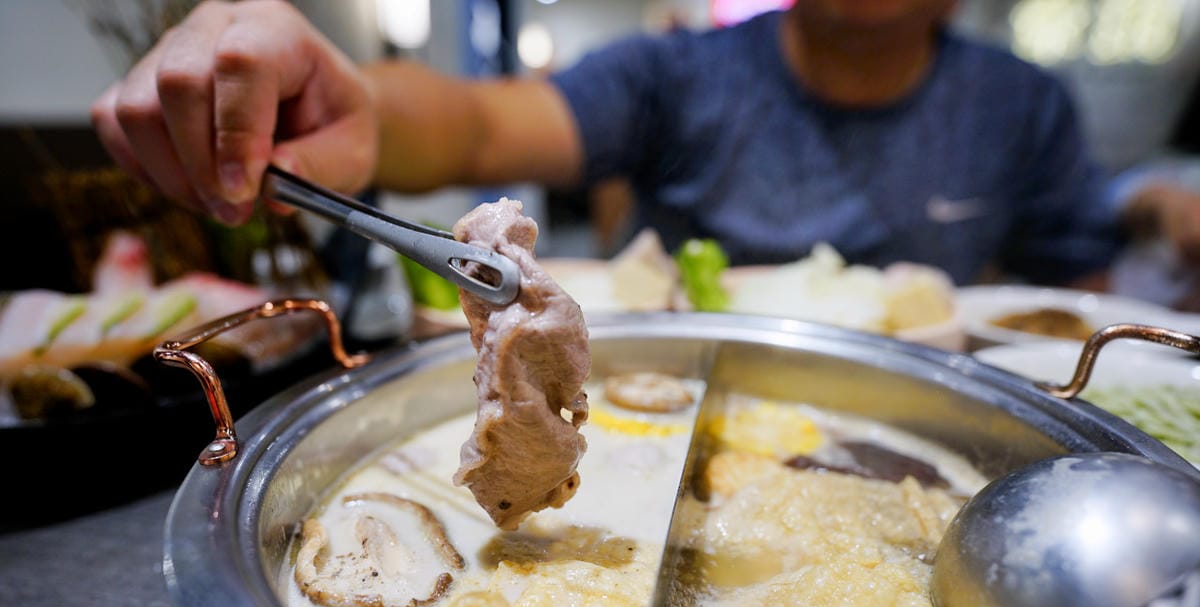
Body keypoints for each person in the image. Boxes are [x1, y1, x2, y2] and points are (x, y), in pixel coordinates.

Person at [90, 0, 1200, 289]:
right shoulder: (683, 71)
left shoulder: (1021, 102)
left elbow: (1076, 278)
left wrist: (1158, 204)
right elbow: (480, 118)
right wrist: (355, 111)